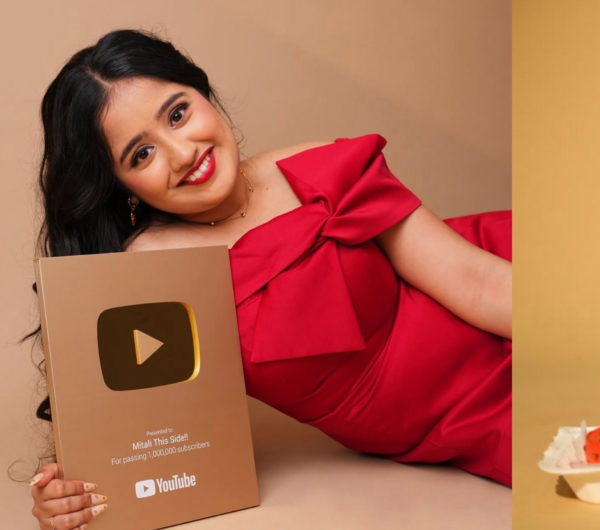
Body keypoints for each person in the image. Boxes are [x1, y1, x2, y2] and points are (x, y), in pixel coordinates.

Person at [29, 29, 511, 529]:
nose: (182, 152)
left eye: (178, 114)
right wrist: (69, 496)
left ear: (205, 94)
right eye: (141, 155)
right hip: (460, 421)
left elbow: (474, 281)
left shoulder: (322, 168)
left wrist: (572, 332)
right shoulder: (146, 274)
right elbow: (132, 444)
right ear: (118, 184)